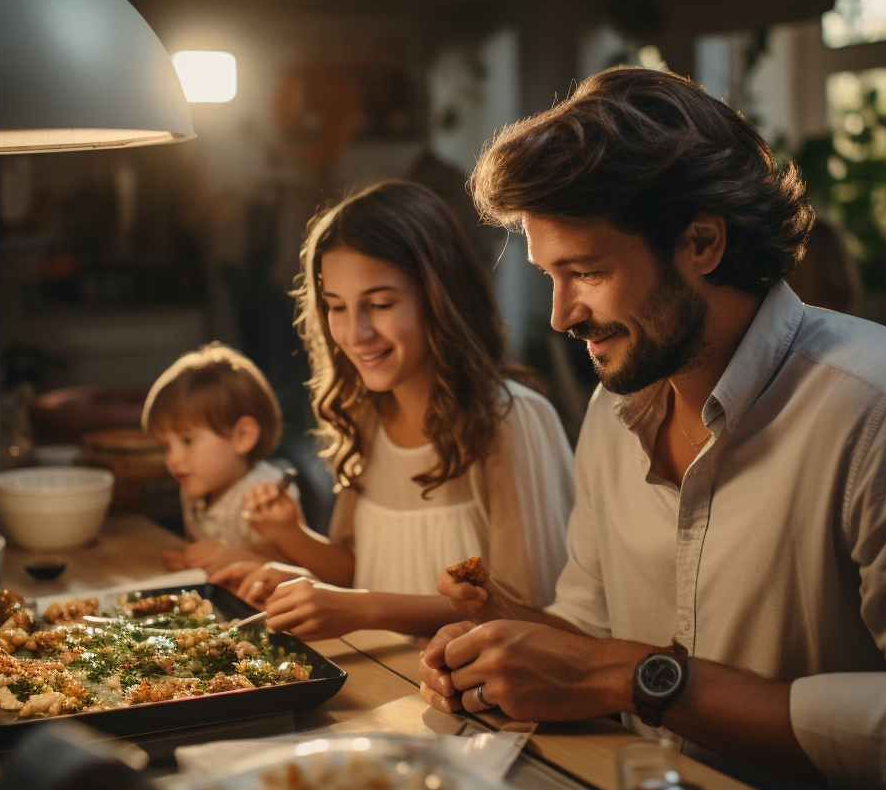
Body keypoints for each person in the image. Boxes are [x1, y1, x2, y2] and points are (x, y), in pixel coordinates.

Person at [417, 68, 886, 790]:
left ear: (702, 242)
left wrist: (637, 680)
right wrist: (502, 642)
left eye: (585, 271)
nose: (562, 316)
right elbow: (593, 637)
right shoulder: (611, 411)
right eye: (550, 276)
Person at [210, 180, 575, 641]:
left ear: (439, 298)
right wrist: (292, 554)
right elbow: (354, 567)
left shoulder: (509, 422)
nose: (355, 332)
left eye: (380, 304)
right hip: (380, 692)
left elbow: (524, 613)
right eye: (335, 306)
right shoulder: (366, 414)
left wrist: (362, 608)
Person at [143, 343, 295, 572]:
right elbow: (197, 550)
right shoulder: (192, 488)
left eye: (187, 440)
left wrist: (239, 559)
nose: (172, 459)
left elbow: (296, 574)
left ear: (242, 435)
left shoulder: (268, 496)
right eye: (166, 445)